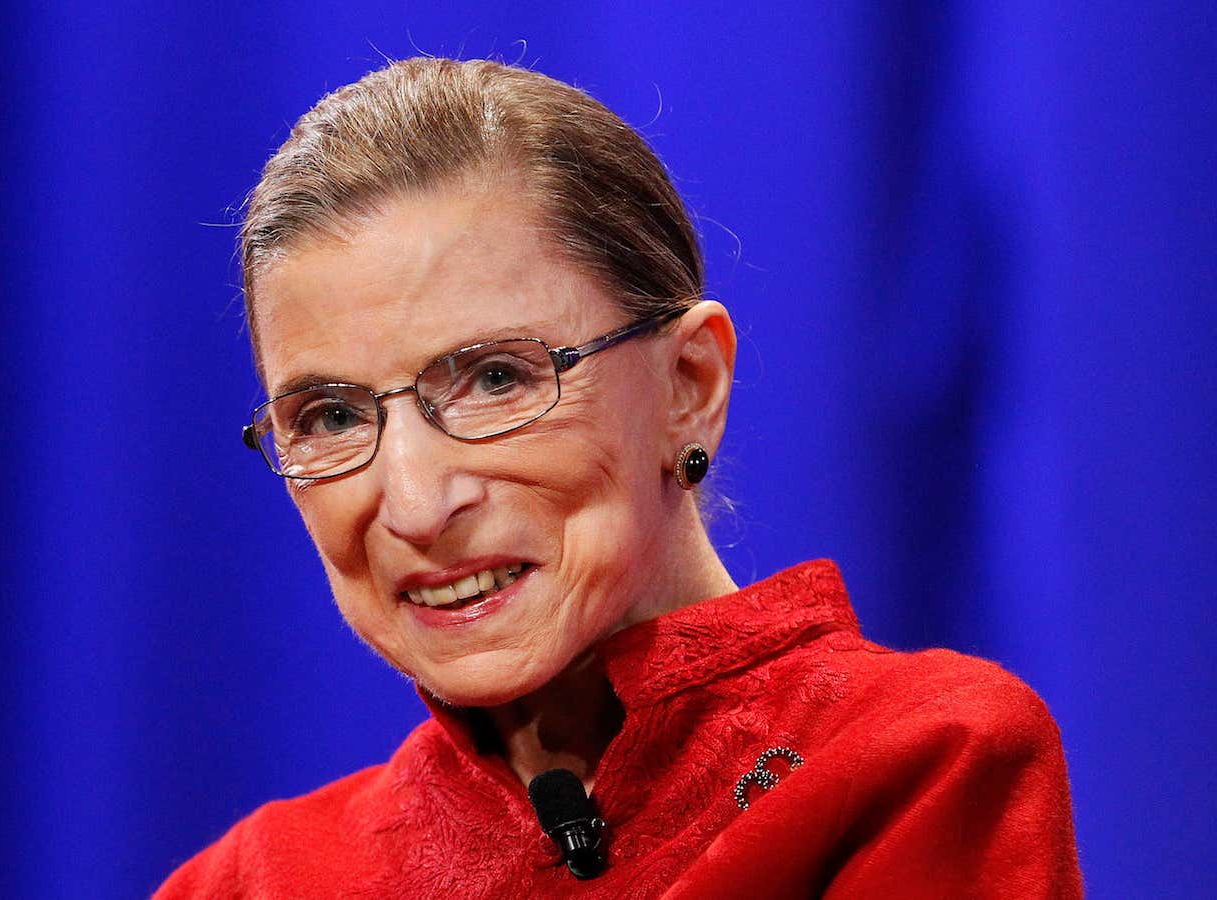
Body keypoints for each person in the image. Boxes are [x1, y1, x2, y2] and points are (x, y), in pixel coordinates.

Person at [155, 57, 1082, 898]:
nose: (414, 504)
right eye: (332, 417)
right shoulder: (251, 882)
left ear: (689, 386)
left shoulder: (915, 765)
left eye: (495, 378)